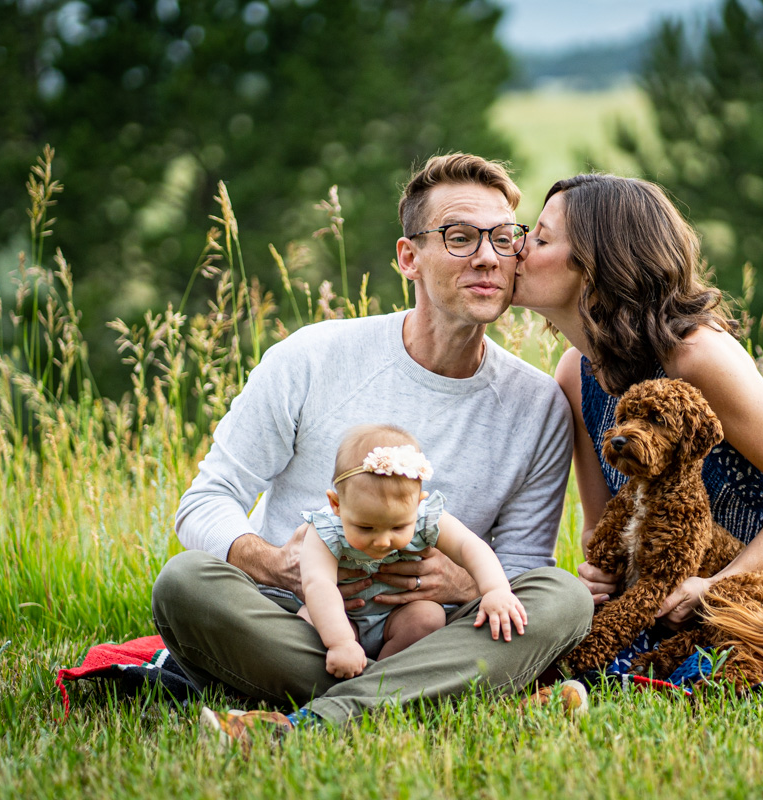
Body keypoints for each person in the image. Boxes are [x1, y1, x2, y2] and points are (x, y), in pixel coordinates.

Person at [152, 153, 592, 738]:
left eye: (505, 238)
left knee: (563, 597)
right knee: (185, 584)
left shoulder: (538, 406)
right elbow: (204, 503)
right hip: (299, 620)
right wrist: (278, 565)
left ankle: (318, 720)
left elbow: (519, 571)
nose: (488, 256)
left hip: (427, 624)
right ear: (409, 257)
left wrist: (458, 582)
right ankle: (456, 696)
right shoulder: (312, 357)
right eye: (459, 238)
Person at [512, 173, 763, 668]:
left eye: (539, 238)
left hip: (756, 587)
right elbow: (602, 522)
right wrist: (599, 574)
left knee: (694, 677)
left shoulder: (695, 357)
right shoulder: (572, 373)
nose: (516, 250)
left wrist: (715, 584)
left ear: (599, 265)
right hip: (657, 591)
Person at [297, 424, 528, 679]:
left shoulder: (426, 518)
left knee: (428, 617)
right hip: (340, 617)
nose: (383, 541)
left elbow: (469, 546)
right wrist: (339, 641)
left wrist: (495, 590)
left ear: (419, 504)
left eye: (398, 526)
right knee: (306, 619)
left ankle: (383, 676)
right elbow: (318, 584)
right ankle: (346, 666)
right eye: (365, 527)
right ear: (337, 504)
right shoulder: (325, 529)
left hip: (398, 619)